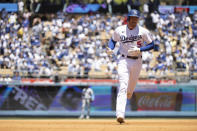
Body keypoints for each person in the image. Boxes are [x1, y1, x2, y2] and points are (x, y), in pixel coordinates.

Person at [106, 9, 154, 124]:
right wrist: (110, 48)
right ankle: (120, 114)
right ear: (128, 18)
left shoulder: (142, 31)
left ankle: (129, 93)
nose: (135, 20)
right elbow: (112, 40)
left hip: (137, 61)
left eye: (136, 18)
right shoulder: (120, 30)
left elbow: (152, 44)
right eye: (133, 18)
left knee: (130, 90)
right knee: (123, 86)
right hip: (123, 60)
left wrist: (140, 49)